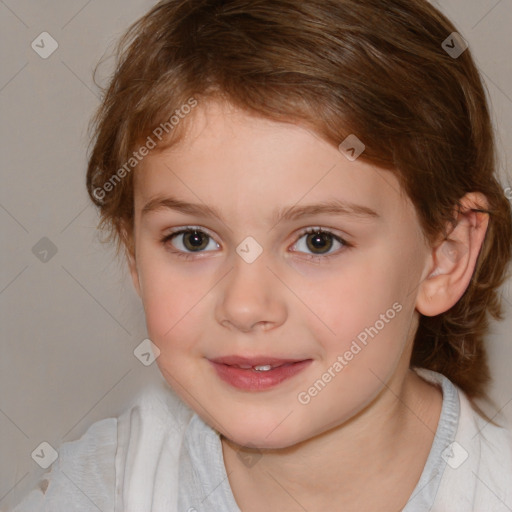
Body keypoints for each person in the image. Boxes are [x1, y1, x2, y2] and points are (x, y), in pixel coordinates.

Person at [11, 0, 512, 510]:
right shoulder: (98, 491)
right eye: (194, 239)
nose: (245, 307)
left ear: (444, 257)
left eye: (319, 241)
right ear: (133, 255)